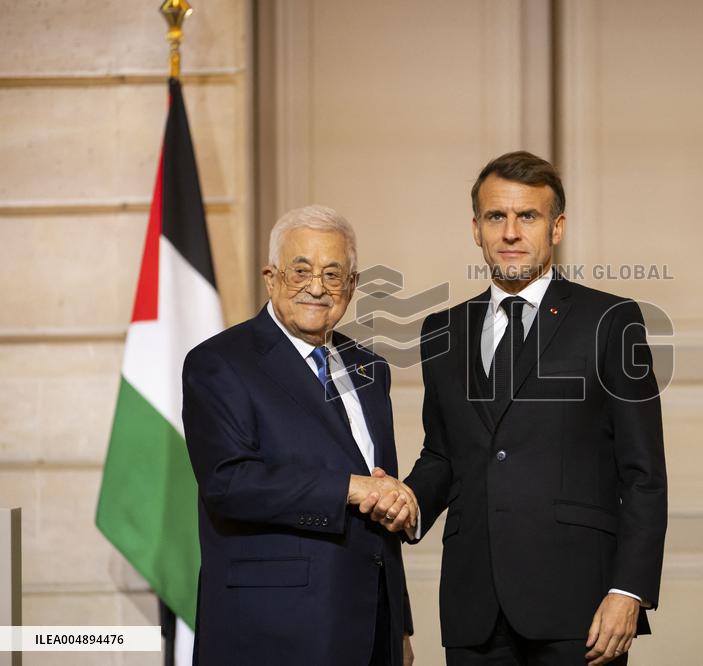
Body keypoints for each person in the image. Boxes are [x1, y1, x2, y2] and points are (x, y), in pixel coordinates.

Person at [374, 152, 668, 665]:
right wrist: (410, 500)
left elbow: (644, 473)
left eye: (526, 217)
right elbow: (444, 455)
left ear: (556, 228)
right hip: (474, 607)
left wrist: (629, 591)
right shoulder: (442, 331)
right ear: (476, 228)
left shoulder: (612, 320)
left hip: (581, 607)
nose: (510, 232)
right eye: (496, 217)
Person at [182, 205, 417, 665]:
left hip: (371, 631)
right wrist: (351, 488)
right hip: (273, 631)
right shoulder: (219, 362)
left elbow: (380, 494)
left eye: (333, 274)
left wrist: (399, 624)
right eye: (301, 271)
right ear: (270, 278)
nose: (316, 287)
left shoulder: (371, 369)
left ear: (351, 286)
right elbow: (229, 484)